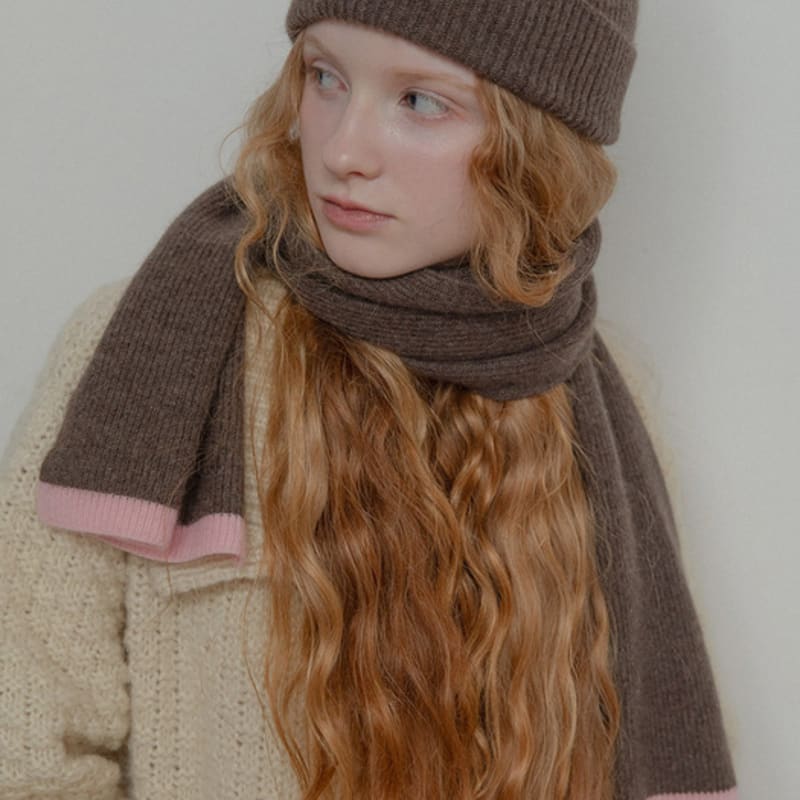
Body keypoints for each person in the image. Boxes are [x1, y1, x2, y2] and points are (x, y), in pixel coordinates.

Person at [0, 2, 739, 799]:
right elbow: (28, 749)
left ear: (538, 143)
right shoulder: (154, 348)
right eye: (325, 77)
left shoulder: (598, 400)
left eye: (421, 101)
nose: (342, 151)